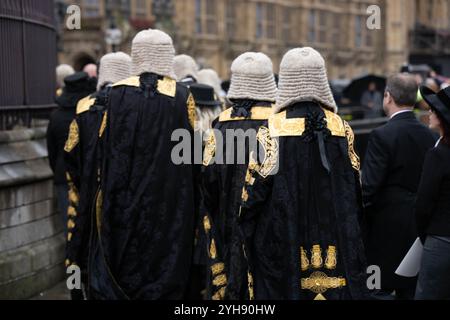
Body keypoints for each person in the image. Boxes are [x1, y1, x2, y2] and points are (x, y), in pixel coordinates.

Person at [239, 48, 369, 300]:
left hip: (285, 240)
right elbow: (356, 190)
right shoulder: (342, 128)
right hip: (335, 237)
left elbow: (252, 195)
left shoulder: (271, 131)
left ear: (286, 80)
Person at [88, 29, 197, 300]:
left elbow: (103, 149)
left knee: (127, 264)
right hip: (169, 202)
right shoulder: (183, 97)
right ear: (167, 55)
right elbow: (192, 154)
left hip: (124, 198)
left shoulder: (115, 96)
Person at [202, 52, 277, 300]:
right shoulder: (278, 123)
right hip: (269, 226)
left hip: (226, 222)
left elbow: (208, 180)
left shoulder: (221, 123)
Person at [362, 74, 437, 300]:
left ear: (388, 97)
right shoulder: (430, 136)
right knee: (411, 289)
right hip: (420, 225)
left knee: (375, 286)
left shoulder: (381, 135)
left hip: (384, 227)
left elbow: (369, 187)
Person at [63, 52, 132, 300]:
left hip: (89, 195)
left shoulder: (84, 107)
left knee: (86, 251)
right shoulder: (131, 106)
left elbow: (70, 154)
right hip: (125, 197)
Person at [46, 72, 96, 235]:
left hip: (63, 173)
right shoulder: (89, 113)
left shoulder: (56, 116)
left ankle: (71, 258)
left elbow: (51, 150)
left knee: (70, 225)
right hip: (88, 172)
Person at [414, 86, 450, 300]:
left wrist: (426, 234)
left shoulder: (438, 155)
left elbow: (423, 205)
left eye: (434, 110)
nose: (429, 113)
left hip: (440, 240)